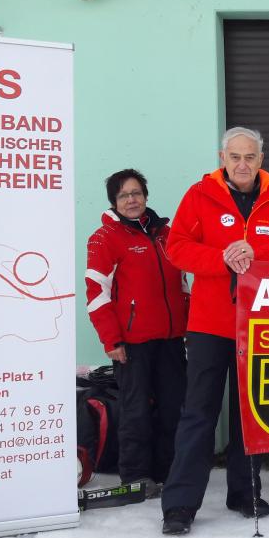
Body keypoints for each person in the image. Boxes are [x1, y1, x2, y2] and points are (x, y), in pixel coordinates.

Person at [160, 128, 269, 536]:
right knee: (198, 414)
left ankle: (245, 492)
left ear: (261, 159)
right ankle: (179, 505)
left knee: (251, 415)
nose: (242, 164)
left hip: (259, 326)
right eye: (235, 157)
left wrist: (255, 252)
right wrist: (222, 257)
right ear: (222, 158)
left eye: (250, 157)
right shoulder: (199, 195)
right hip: (210, 324)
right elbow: (176, 248)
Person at [85, 169, 188, 485]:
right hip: (131, 343)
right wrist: (111, 341)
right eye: (123, 195)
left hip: (171, 339)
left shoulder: (167, 234)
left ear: (145, 195)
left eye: (136, 193)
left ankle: (168, 472)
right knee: (136, 412)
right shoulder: (104, 238)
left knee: (173, 410)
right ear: (114, 203)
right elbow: (96, 293)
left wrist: (189, 330)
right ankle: (135, 476)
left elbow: (183, 285)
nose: (131, 200)